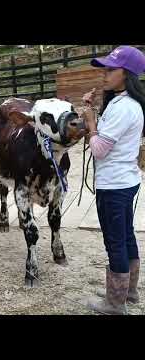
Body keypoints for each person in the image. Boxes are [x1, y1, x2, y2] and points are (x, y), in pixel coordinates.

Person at [82, 46, 145, 315]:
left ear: (126, 74)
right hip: (124, 180)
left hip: (114, 185)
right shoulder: (123, 104)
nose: (105, 74)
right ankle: (127, 291)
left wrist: (90, 121)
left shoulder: (123, 108)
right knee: (126, 236)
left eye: (111, 69)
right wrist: (91, 109)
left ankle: (115, 303)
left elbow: (98, 148)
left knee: (114, 241)